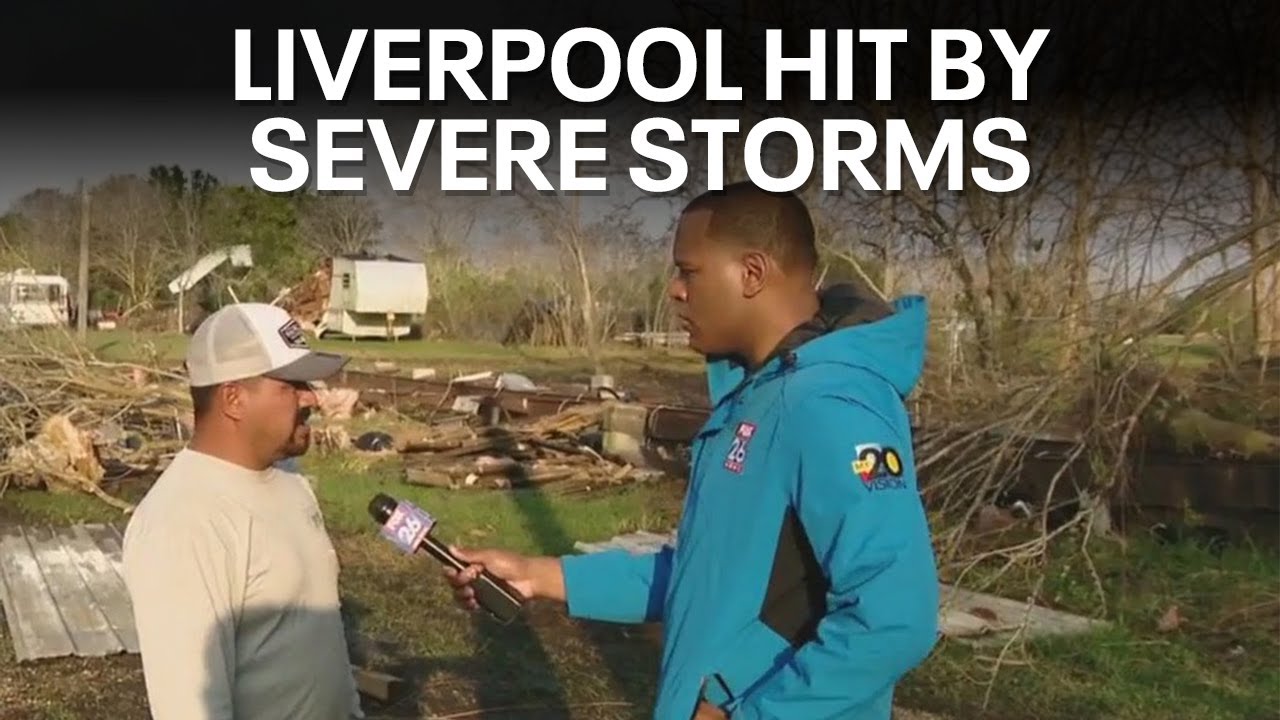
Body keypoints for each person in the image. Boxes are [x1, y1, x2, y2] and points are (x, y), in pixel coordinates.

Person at [444, 182, 940, 719]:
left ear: (752, 273)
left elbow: (895, 617)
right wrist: (537, 574)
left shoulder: (830, 404)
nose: (675, 291)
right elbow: (708, 578)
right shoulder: (757, 395)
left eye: (689, 271)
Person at [122, 302, 364, 720]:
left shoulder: (287, 477)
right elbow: (190, 708)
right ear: (233, 398)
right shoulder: (182, 523)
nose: (312, 397)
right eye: (291, 385)